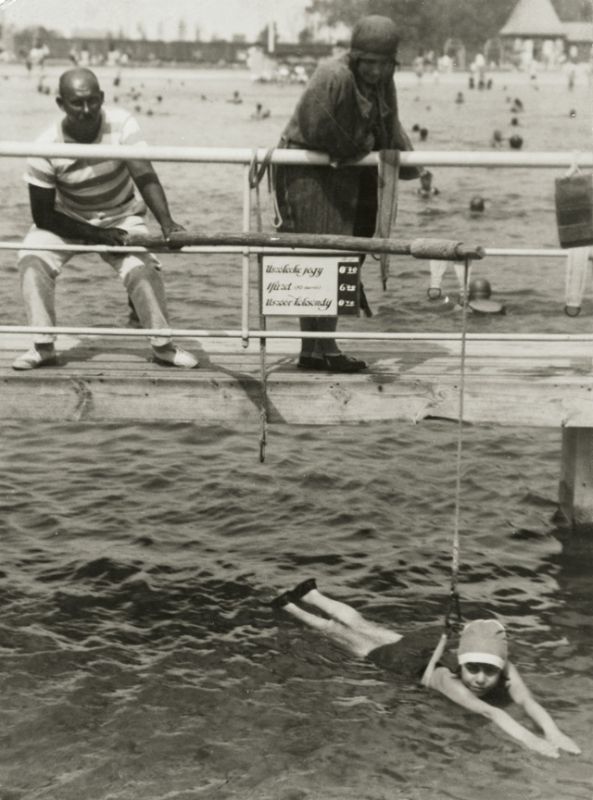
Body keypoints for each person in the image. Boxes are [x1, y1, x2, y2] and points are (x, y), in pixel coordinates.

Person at [13, 67, 198, 370]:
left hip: (121, 214)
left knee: (143, 268)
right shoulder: (44, 145)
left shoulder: (122, 124)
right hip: (67, 219)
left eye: (92, 101)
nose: (86, 110)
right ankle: (43, 346)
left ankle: (163, 346)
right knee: (31, 259)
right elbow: (43, 216)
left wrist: (167, 223)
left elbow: (144, 174)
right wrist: (97, 235)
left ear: (101, 98)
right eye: (77, 103)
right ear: (61, 104)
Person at [272, 579, 581, 758]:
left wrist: (555, 732)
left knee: (362, 624)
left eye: (489, 671)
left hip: (427, 646)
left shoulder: (500, 666)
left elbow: (528, 701)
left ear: (501, 666)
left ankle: (312, 593)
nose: (481, 678)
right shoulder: (452, 681)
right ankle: (291, 606)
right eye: (473, 669)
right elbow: (493, 713)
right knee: (341, 633)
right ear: (461, 663)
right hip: (403, 661)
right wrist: (534, 742)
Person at [273, 15, 421, 373]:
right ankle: (317, 348)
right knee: (317, 259)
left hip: (350, 171)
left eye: (382, 64)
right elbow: (314, 127)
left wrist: (408, 159)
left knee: (348, 255)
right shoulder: (333, 75)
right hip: (308, 170)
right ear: (356, 58)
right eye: (368, 63)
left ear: (391, 64)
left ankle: (321, 347)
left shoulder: (385, 83)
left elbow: (389, 123)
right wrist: (362, 145)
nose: (374, 71)